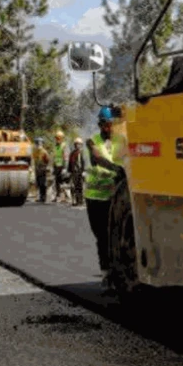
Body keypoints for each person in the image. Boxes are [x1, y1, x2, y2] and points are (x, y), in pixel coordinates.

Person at [84, 107, 127, 290]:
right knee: (102, 237)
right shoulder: (92, 141)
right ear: (100, 125)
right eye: (105, 125)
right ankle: (106, 275)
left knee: (116, 237)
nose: (109, 128)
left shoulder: (122, 140)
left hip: (115, 198)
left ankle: (119, 275)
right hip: (95, 198)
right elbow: (98, 158)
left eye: (111, 124)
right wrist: (115, 169)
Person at [32, 137, 50, 203]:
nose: (38, 144)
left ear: (42, 144)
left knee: (43, 183)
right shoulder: (35, 152)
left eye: (40, 143)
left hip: (42, 169)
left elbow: (47, 160)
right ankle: (40, 197)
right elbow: (34, 160)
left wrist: (45, 167)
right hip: (37, 169)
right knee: (39, 183)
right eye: (37, 143)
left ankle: (44, 197)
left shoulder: (44, 152)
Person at [69, 136, 86, 207]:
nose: (77, 145)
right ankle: (76, 200)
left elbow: (83, 162)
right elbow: (70, 163)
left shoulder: (82, 153)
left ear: (81, 145)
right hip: (74, 172)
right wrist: (69, 171)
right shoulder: (72, 153)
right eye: (76, 144)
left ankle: (81, 201)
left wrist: (84, 171)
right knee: (74, 187)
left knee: (80, 187)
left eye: (79, 144)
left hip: (80, 172)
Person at [52, 129, 67, 203]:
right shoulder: (55, 146)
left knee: (62, 182)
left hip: (61, 166)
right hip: (56, 166)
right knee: (56, 182)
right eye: (56, 138)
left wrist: (65, 167)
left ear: (62, 138)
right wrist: (53, 166)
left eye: (58, 138)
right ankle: (57, 196)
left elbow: (65, 157)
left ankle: (63, 197)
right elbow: (54, 157)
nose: (57, 139)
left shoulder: (64, 146)